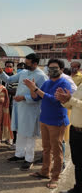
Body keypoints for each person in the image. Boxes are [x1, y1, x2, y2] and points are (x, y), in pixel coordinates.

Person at [0, 53, 48, 171]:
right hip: (19, 107)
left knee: (30, 134)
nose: (25, 65)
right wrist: (0, 71)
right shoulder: (23, 72)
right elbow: (8, 80)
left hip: (31, 109)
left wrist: (25, 98)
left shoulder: (42, 76)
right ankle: (19, 154)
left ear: (35, 63)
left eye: (28, 63)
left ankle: (29, 159)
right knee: (20, 132)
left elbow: (41, 95)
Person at [24, 59, 72, 189]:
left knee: (56, 151)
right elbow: (36, 98)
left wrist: (36, 89)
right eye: (50, 68)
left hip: (57, 121)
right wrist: (32, 89)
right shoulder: (47, 83)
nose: (52, 70)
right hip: (44, 119)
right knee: (46, 148)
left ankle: (55, 177)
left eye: (55, 68)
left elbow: (55, 100)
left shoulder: (64, 83)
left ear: (61, 70)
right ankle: (45, 171)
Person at [56, 80, 82, 193]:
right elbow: (73, 106)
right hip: (75, 130)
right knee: (78, 162)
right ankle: (78, 189)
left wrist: (71, 99)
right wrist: (64, 101)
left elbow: (75, 102)